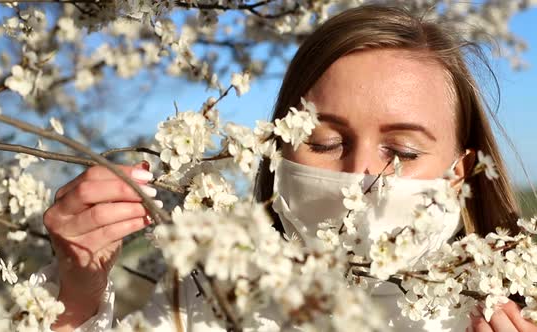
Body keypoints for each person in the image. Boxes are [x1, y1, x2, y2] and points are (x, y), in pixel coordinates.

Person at [39, 4, 537, 332]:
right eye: (325, 141)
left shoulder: (514, 305)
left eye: (403, 153)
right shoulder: (207, 292)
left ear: (461, 171)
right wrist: (79, 297)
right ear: (278, 147)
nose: (361, 174)